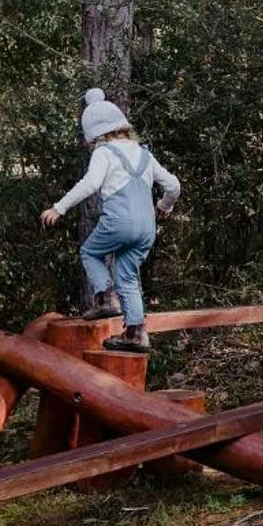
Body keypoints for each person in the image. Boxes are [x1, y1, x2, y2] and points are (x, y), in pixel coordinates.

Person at [40, 88, 181, 353]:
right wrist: (164, 206)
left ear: (93, 134)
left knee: (89, 252)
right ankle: (136, 333)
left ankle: (105, 297)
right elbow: (173, 186)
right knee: (127, 277)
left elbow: (90, 183)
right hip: (147, 228)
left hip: (119, 222)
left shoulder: (104, 152)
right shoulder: (144, 154)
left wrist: (59, 208)